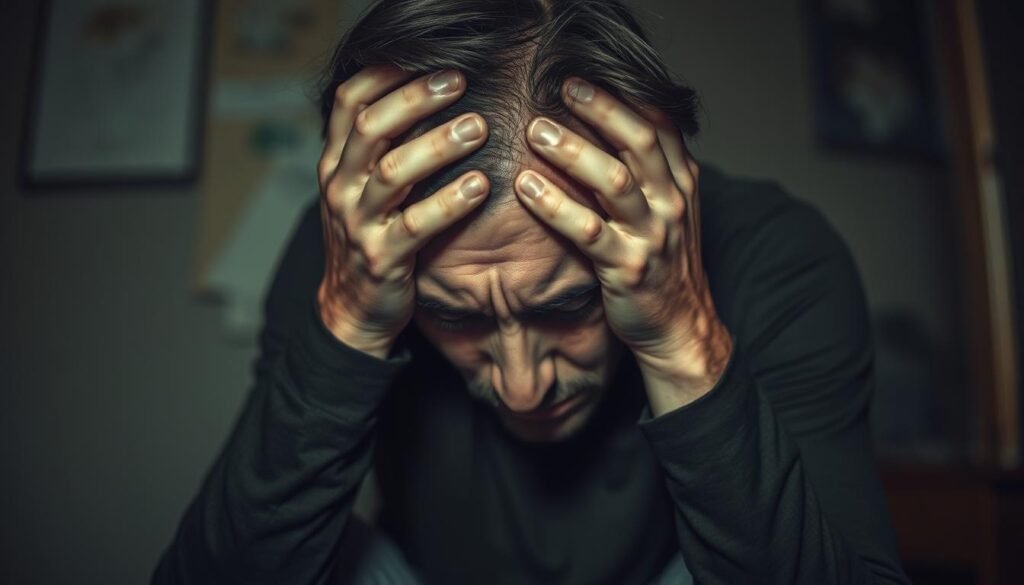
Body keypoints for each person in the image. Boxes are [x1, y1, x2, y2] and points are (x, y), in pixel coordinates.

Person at [154, 0, 910, 583]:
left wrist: (681, 339)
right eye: (450, 315)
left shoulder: (778, 256)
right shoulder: (353, 253)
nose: (522, 386)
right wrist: (351, 323)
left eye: (570, 304)